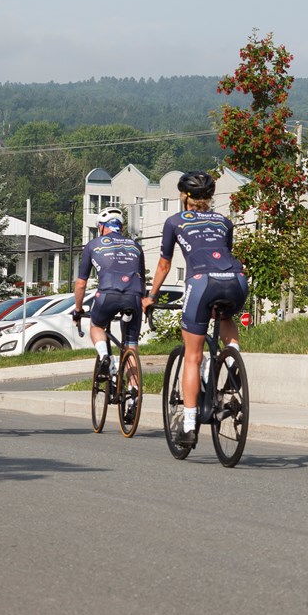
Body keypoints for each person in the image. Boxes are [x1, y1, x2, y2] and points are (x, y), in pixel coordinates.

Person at [141, 171, 248, 451]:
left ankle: (189, 426)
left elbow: (164, 264)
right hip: (237, 281)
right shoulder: (224, 221)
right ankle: (233, 358)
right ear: (210, 197)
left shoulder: (175, 221)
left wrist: (151, 297)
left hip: (202, 283)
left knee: (192, 356)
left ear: (184, 197)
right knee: (225, 315)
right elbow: (223, 253)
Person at [74, 206, 146, 387]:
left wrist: (78, 309)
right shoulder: (136, 246)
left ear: (101, 226)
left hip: (107, 294)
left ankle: (105, 356)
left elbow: (81, 283)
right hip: (134, 296)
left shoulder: (93, 245)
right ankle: (134, 394)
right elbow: (142, 281)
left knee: (97, 325)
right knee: (130, 344)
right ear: (121, 226)